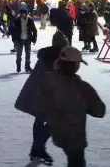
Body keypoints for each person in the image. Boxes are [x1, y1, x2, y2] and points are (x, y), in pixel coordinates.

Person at [34, 46, 106, 167]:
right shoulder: (82, 88)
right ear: (75, 65)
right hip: (75, 137)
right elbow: (100, 111)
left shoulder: (50, 83)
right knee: (76, 162)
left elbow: (41, 106)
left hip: (57, 134)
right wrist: (84, 107)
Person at [15, 31, 69, 165]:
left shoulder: (46, 54)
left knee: (40, 120)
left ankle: (37, 149)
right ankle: (38, 148)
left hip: (37, 93)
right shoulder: (59, 57)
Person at [10, 5, 38, 73]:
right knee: (19, 54)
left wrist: (34, 38)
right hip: (20, 39)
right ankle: (18, 67)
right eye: (21, 13)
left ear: (26, 14)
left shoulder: (30, 21)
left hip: (28, 39)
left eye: (24, 13)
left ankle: (27, 66)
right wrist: (14, 40)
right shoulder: (17, 21)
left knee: (28, 54)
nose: (22, 15)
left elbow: (34, 30)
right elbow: (13, 31)